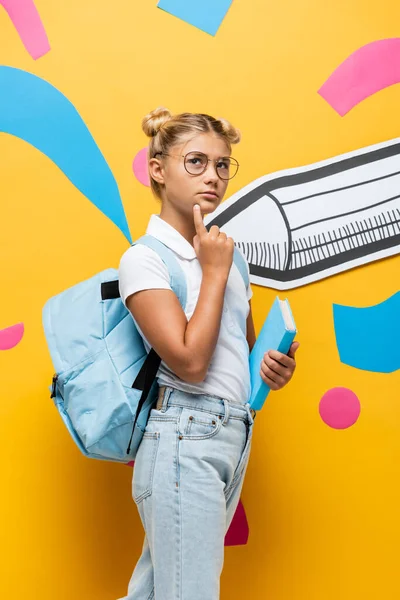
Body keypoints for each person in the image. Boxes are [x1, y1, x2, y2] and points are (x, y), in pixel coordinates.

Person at [118, 107, 299, 600]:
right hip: (184, 440)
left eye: (222, 165)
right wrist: (213, 271)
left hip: (231, 436)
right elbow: (190, 362)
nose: (213, 177)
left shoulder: (227, 254)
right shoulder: (145, 259)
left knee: (162, 591)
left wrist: (273, 365)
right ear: (158, 169)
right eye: (195, 162)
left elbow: (240, 350)